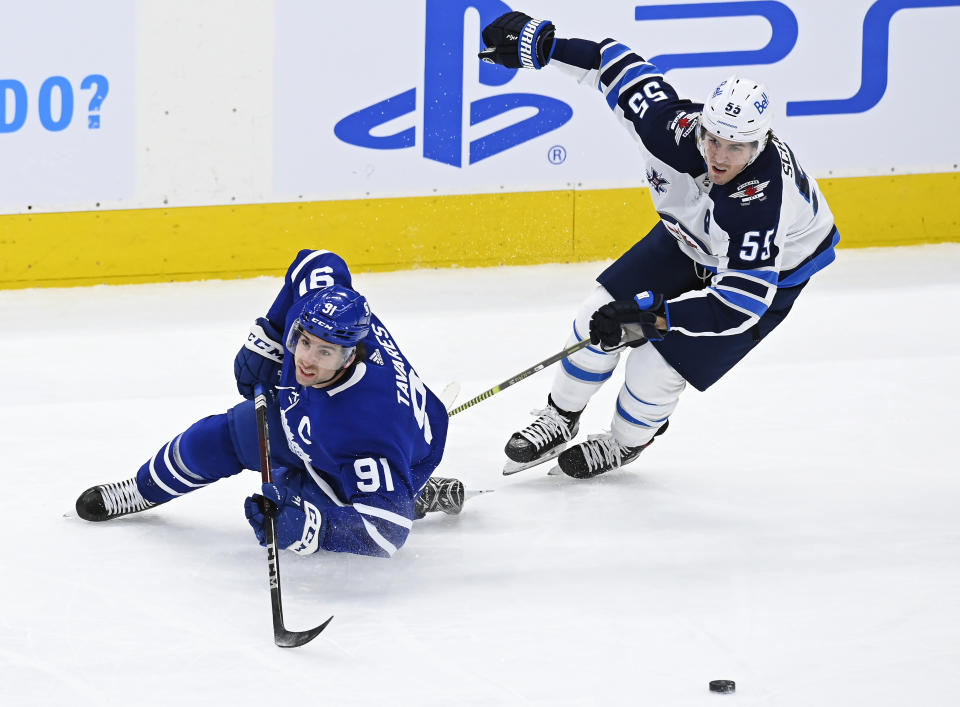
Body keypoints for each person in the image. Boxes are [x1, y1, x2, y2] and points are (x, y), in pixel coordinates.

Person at [479, 12, 840, 478]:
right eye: (713, 139)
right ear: (700, 127)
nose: (719, 156)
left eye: (736, 147)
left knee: (655, 365)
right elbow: (612, 63)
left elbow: (738, 306)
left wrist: (653, 319)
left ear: (760, 143)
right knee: (597, 314)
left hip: (772, 271)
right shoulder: (666, 127)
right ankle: (561, 415)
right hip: (688, 239)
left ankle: (625, 443)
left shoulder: (759, 204)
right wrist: (542, 45)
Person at [75, 249, 466, 558]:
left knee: (303, 497)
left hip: (380, 453)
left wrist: (312, 529)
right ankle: (140, 489)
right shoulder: (318, 308)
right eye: (304, 340)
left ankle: (406, 491)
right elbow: (317, 260)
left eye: (324, 352)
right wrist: (272, 333)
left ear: (351, 355)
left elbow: (386, 532)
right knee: (218, 438)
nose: (305, 359)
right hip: (321, 417)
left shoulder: (366, 432)